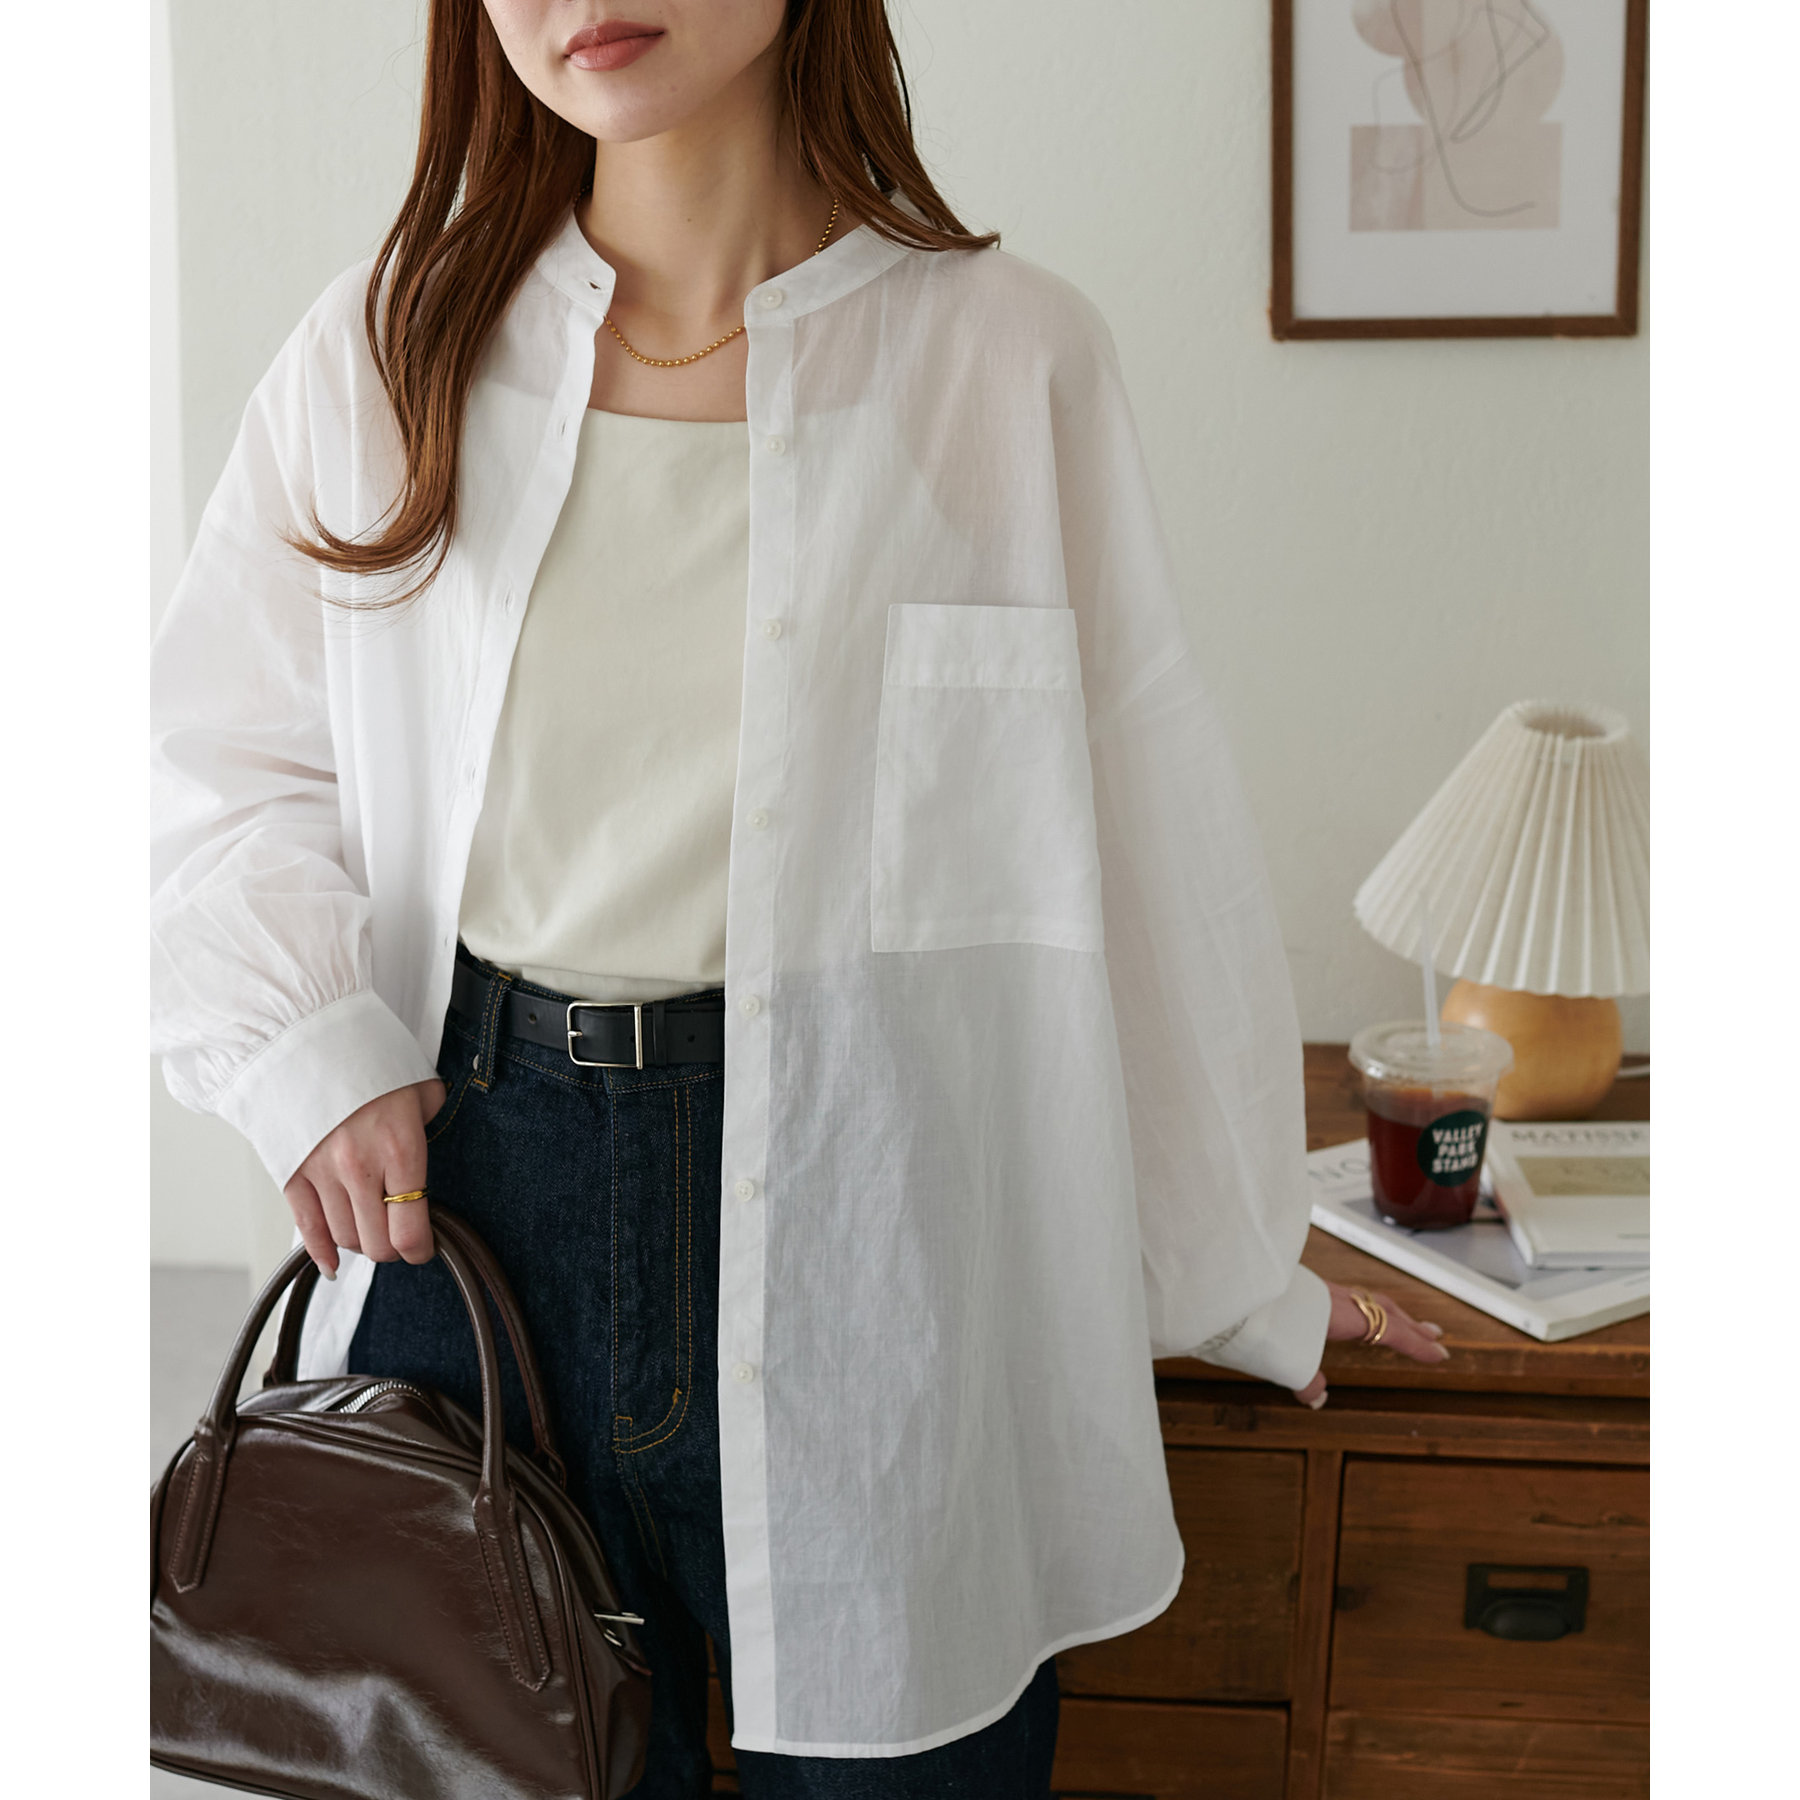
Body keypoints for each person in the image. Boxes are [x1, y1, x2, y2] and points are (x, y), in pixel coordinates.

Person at [150, 2, 1452, 1794]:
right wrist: (309, 1053)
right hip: (475, 1234)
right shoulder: (387, 354)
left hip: (880, 1240)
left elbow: (1132, 861)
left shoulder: (1008, 362)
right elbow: (214, 765)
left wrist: (1238, 1268)